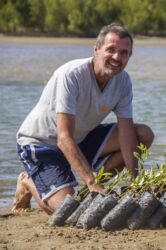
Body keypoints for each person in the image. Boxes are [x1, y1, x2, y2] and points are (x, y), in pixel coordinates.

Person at [12, 23, 154, 215]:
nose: (116, 57)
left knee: (142, 135)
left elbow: (127, 133)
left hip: (80, 139)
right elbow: (63, 138)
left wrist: (137, 182)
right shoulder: (72, 75)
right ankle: (28, 181)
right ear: (96, 50)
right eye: (110, 50)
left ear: (129, 56)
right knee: (65, 210)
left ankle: (89, 192)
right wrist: (92, 181)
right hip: (41, 144)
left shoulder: (123, 81)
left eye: (124, 52)